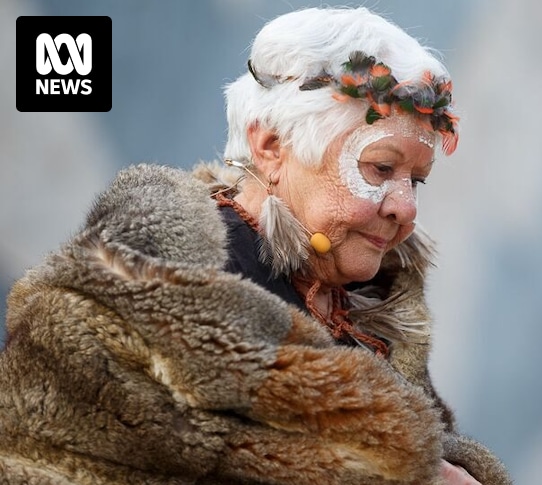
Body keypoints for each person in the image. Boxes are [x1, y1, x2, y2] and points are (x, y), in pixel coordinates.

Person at [0, 7, 511, 485]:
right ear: (271, 147)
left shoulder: (374, 307)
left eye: (416, 180)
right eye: (380, 168)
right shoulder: (141, 292)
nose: (406, 207)